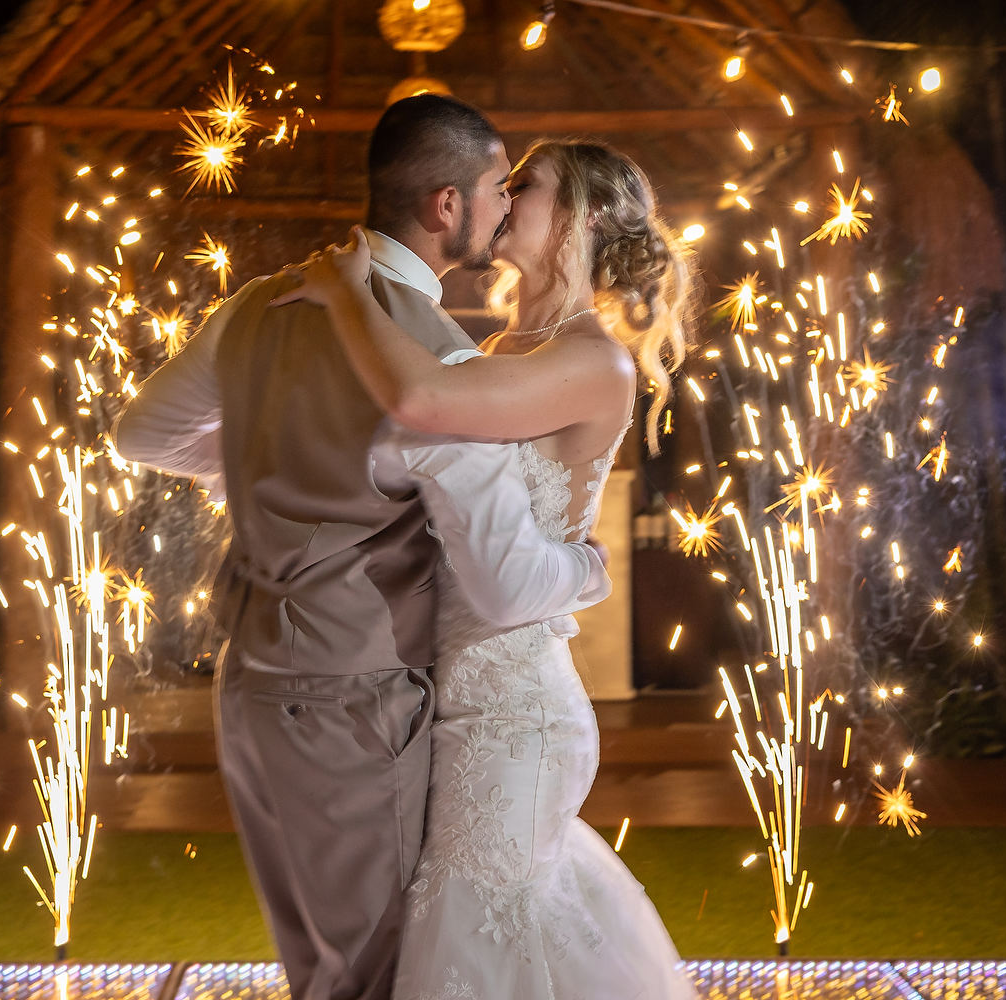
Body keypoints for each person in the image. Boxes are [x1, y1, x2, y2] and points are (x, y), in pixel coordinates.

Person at [110, 97, 613, 1000]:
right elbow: (502, 580)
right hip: (353, 700)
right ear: (446, 206)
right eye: (498, 186)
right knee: (373, 978)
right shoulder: (443, 365)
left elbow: (139, 435)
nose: (504, 204)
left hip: (248, 694)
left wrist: (256, 469)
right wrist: (589, 567)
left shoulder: (257, 305)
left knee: (314, 971)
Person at [271, 138, 699, 1000]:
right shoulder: (503, 350)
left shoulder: (593, 358)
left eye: (522, 186)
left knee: (468, 932)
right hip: (449, 692)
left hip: (514, 710)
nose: (498, 198)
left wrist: (348, 294)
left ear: (573, 218)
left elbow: (422, 402)